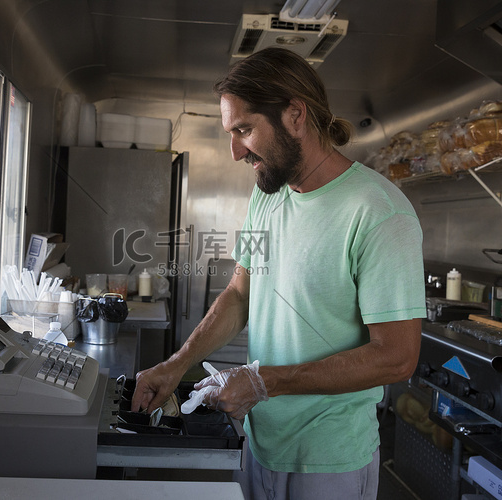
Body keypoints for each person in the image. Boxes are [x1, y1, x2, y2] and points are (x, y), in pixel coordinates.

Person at [131, 47, 426, 500]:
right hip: (259, 444)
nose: (234, 151)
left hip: (330, 463)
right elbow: (241, 292)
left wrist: (266, 381)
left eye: (244, 130)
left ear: (294, 115)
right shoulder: (268, 197)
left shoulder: (379, 213)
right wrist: (177, 365)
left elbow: (397, 356)